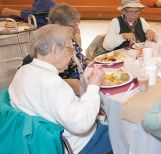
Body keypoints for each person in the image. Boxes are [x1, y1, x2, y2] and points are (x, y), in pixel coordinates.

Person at [8, 24, 112, 154]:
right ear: (54, 50)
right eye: (69, 49)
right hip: (78, 145)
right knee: (121, 130)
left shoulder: (23, 71)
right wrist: (94, 86)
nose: (73, 55)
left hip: (38, 142)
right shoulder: (52, 83)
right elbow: (81, 124)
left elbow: (54, 108)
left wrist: (90, 108)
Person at [22, 3, 89, 94]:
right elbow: (37, 79)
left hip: (84, 81)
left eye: (77, 24)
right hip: (67, 92)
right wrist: (66, 83)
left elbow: (80, 56)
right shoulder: (48, 47)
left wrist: (92, 63)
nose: (77, 29)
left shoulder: (69, 40)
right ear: (58, 25)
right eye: (73, 25)